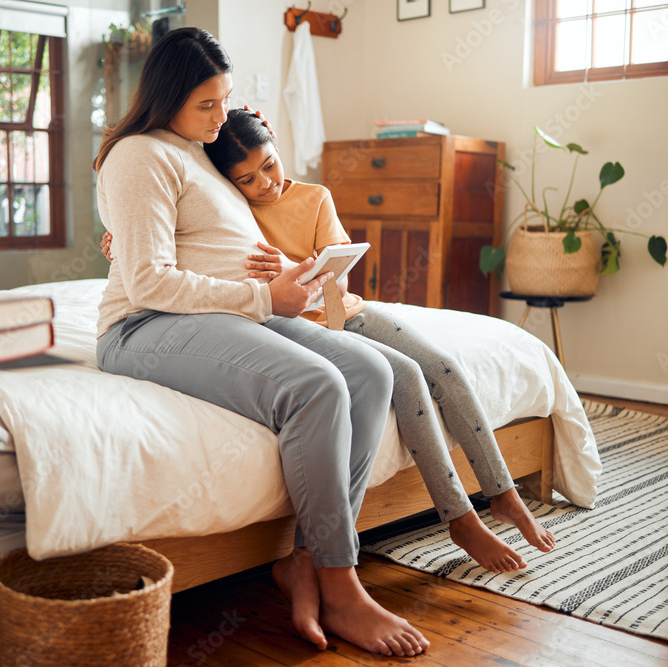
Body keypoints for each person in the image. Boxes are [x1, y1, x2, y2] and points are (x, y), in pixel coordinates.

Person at [92, 28, 429, 657]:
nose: (220, 119)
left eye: (225, 101)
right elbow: (145, 279)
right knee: (317, 384)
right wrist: (263, 300)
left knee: (370, 373)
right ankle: (341, 580)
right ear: (166, 99)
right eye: (206, 106)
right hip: (142, 326)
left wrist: (282, 278)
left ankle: (304, 561)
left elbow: (202, 231)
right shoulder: (141, 153)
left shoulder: (199, 148)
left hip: (232, 314)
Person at [204, 108, 557, 570]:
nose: (264, 183)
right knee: (406, 375)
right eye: (248, 179)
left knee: (444, 368)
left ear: (273, 141)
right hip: (305, 327)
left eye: (268, 165)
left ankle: (504, 493)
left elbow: (342, 285)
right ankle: (460, 517)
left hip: (345, 310)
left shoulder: (315, 198)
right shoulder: (231, 208)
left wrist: (297, 268)